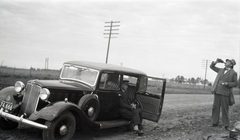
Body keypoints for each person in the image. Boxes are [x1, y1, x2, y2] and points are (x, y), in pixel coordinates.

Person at [210, 58, 238, 130]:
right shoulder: (221, 70)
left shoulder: (233, 73)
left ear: (231, 64)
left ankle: (226, 125)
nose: (225, 62)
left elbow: (235, 84)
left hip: (225, 93)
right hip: (217, 91)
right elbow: (212, 67)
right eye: (226, 61)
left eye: (227, 62)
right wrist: (216, 62)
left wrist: (227, 83)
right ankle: (214, 122)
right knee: (215, 107)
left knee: (225, 109)